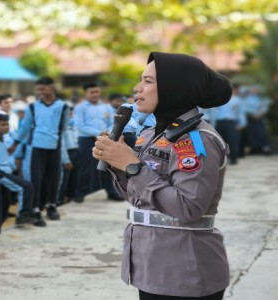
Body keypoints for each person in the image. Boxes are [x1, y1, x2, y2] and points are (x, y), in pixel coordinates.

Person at [93, 52, 231, 300]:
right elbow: (137, 196)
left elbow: (189, 207)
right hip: (151, 264)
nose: (137, 88)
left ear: (174, 88)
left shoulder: (197, 139)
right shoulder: (151, 134)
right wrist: (117, 162)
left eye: (148, 81)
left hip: (184, 269)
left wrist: (133, 166)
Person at [8, 77, 69, 222]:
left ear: (52, 87)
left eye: (43, 89)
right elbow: (25, 127)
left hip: (55, 146)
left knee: (54, 179)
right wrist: (15, 143)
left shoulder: (63, 106)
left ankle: (51, 206)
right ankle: (35, 209)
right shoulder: (32, 107)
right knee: (36, 179)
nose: (40, 92)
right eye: (38, 89)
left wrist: (64, 153)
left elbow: (64, 128)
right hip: (36, 146)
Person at [73, 82, 119, 203]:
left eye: (97, 92)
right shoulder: (80, 107)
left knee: (108, 166)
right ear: (86, 93)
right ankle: (81, 192)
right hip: (86, 139)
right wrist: (98, 132)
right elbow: (79, 125)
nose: (95, 94)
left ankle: (111, 192)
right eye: (92, 92)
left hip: (105, 138)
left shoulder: (106, 107)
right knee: (86, 167)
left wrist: (106, 133)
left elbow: (112, 122)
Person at [0, 113, 35, 226]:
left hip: (7, 171)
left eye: (7, 124)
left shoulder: (7, 138)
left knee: (4, 206)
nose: (6, 127)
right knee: (26, 186)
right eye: (2, 125)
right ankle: (23, 215)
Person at [215, 83, 246, 165]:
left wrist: (242, 124)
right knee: (220, 141)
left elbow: (241, 112)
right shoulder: (220, 99)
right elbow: (214, 111)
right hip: (220, 121)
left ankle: (233, 158)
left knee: (233, 141)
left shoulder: (238, 100)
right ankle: (220, 159)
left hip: (232, 122)